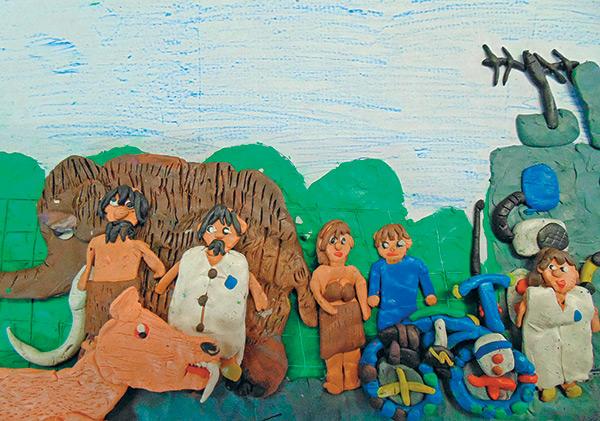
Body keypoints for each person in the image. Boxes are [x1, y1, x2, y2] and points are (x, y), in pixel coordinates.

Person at [155, 204, 268, 382]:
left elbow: (249, 279)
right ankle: (183, 358)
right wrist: (161, 286)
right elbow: (177, 269)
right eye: (211, 229)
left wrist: (260, 298)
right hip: (187, 314)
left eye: (226, 231)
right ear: (202, 230)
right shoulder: (191, 256)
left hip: (224, 317)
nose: (219, 235)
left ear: (239, 233)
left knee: (226, 333)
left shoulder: (238, 263)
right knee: (184, 332)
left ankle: (226, 359)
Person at [77, 185, 166, 336]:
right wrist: (83, 282)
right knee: (97, 331)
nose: (120, 209)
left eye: (129, 205)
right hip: (98, 295)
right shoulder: (96, 243)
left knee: (124, 331)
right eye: (114, 202)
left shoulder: (137, 246)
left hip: (126, 294)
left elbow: (160, 269)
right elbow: (88, 268)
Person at [516, 248, 600, 402]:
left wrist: (593, 317)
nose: (557, 273)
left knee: (574, 353)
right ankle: (547, 384)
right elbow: (520, 321)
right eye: (551, 268)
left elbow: (594, 326)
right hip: (543, 341)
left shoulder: (581, 296)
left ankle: (570, 381)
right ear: (540, 274)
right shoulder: (535, 296)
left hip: (573, 342)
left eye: (564, 269)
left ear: (575, 273)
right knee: (544, 356)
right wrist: (522, 313)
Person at [309, 220, 371, 394]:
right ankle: (335, 382)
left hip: (352, 319)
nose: (338, 246)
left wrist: (365, 308)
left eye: (343, 241)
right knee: (333, 354)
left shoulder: (351, 270)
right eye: (332, 241)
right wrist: (326, 306)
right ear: (322, 245)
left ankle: (352, 380)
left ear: (350, 244)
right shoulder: (321, 272)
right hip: (331, 320)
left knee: (353, 352)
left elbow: (361, 284)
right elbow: (316, 291)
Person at [367, 223, 437, 331]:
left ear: (407, 244)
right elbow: (374, 283)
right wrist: (373, 295)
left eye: (399, 244)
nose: (392, 249)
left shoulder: (415, 264)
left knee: (415, 330)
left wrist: (429, 294)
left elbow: (425, 279)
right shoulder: (378, 266)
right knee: (387, 333)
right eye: (385, 245)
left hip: (410, 310)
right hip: (387, 312)